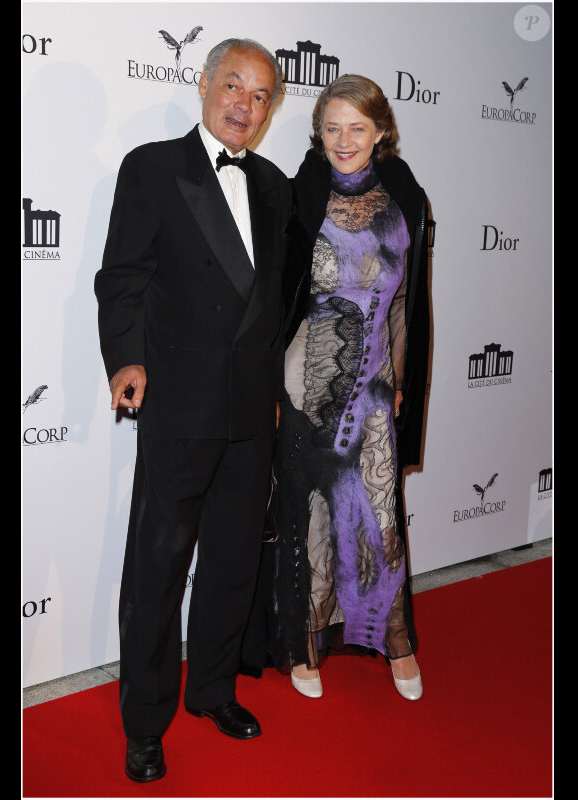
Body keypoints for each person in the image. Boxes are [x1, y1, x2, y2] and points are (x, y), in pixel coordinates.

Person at [94, 38, 291, 783]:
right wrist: (127, 359)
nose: (244, 103)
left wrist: (275, 390)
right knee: (157, 569)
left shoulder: (273, 185)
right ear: (204, 83)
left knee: (233, 565)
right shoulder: (151, 166)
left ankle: (212, 690)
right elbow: (121, 276)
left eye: (261, 94)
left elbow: (278, 301)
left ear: (270, 108)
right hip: (178, 400)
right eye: (233, 85)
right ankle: (145, 723)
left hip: (249, 410)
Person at [270, 74, 430, 702]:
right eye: (331, 127)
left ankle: (397, 642)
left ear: (380, 131)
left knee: (381, 513)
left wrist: (397, 379)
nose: (343, 140)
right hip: (307, 378)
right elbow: (281, 299)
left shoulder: (405, 198)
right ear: (319, 131)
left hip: (372, 386)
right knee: (310, 513)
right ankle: (305, 646)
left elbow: (403, 304)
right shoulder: (299, 192)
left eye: (356, 128)